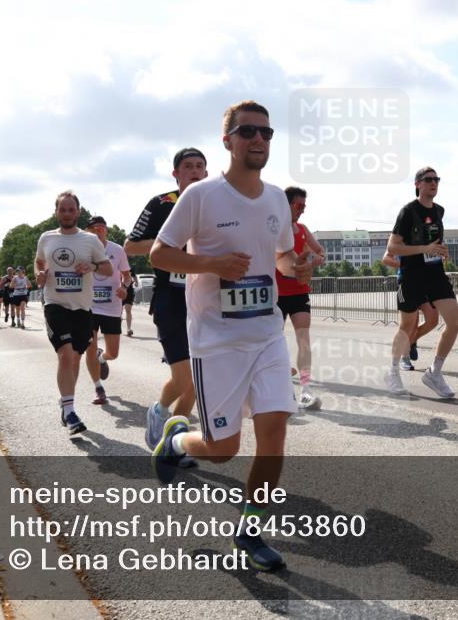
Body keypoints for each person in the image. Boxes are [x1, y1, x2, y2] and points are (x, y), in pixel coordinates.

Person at [150, 102, 311, 571]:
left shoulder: (278, 198)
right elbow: (160, 254)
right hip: (215, 341)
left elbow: (280, 258)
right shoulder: (201, 196)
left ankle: (250, 528)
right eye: (247, 132)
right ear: (228, 141)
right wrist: (212, 264)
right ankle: (176, 441)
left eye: (266, 132)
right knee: (223, 452)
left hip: (265, 332)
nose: (258, 140)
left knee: (275, 432)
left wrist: (293, 265)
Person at [126, 147, 208, 467]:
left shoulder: (215, 204)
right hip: (170, 299)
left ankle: (173, 443)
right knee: (184, 377)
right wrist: (171, 245)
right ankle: (159, 411)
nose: (194, 171)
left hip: (204, 299)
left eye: (200, 166)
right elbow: (131, 246)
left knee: (199, 382)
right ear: (176, 173)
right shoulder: (161, 204)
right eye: (188, 166)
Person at [35, 190, 111, 436]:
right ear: (56, 212)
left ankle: (66, 404)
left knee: (75, 359)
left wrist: (91, 265)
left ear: (78, 211)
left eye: (71, 209)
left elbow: (108, 269)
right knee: (66, 356)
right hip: (55, 303)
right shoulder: (46, 238)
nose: (66, 213)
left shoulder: (90, 240)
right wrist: (40, 273)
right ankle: (70, 412)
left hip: (82, 307)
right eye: (62, 209)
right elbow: (39, 262)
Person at [385, 167, 458, 398]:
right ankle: (393, 370)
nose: (433, 183)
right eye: (428, 180)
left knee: (454, 321)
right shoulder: (408, 211)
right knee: (406, 326)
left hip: (435, 274)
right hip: (412, 275)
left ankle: (434, 373)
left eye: (436, 179)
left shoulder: (439, 211)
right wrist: (423, 249)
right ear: (418, 184)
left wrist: (440, 250)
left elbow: (434, 242)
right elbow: (392, 247)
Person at [276, 186, 326, 410]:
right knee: (273, 342)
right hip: (275, 293)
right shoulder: (273, 228)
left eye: (304, 207)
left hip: (298, 292)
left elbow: (321, 253)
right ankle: (282, 388)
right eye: (298, 206)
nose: (302, 211)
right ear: (285, 205)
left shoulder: (303, 230)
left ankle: (306, 389)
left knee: (304, 340)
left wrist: (314, 258)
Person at [83, 215, 131, 405]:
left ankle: (102, 359)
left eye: (102, 227)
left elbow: (127, 276)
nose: (98, 230)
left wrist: (124, 288)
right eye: (94, 227)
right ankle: (98, 388)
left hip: (112, 307)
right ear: (87, 231)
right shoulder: (83, 249)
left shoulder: (117, 250)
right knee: (89, 347)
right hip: (89, 306)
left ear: (107, 231)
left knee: (114, 353)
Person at [382, 250, 439, 370]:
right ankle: (404, 356)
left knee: (433, 320)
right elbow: (386, 258)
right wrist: (406, 265)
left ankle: (412, 341)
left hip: (427, 283)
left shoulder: (428, 234)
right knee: (409, 325)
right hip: (407, 282)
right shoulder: (402, 234)